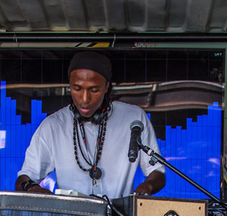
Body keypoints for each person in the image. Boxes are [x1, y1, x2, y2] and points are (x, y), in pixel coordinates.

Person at [15, 51, 165, 198]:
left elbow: (157, 172)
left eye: (94, 90)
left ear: (106, 87)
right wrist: (33, 188)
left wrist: (147, 186)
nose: (85, 99)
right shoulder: (53, 125)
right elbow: (24, 178)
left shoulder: (134, 118)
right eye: (77, 89)